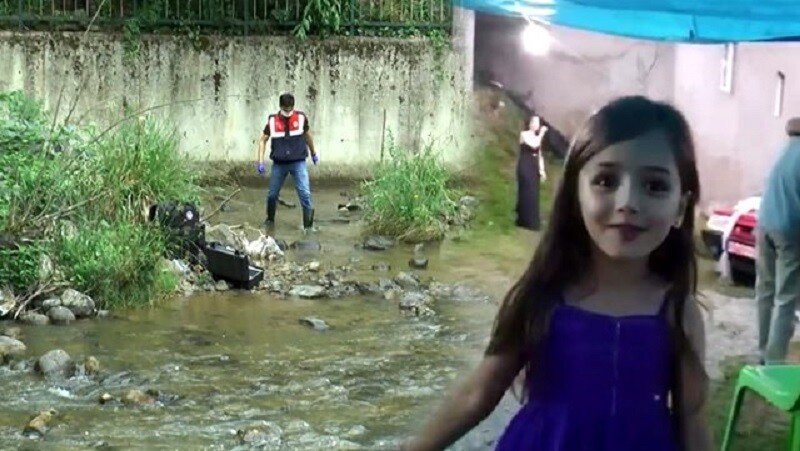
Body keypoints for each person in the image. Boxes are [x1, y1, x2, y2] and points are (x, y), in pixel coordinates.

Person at [401, 96, 711, 451]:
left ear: (680, 207)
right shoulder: (541, 298)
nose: (628, 202)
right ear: (575, 195)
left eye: (655, 186)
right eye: (606, 180)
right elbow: (478, 394)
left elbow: (692, 419)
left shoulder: (679, 313)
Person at [755, 117, 800, 365]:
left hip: (764, 224)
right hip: (789, 230)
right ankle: (774, 363)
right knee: (786, 297)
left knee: (765, 289)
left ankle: (763, 352)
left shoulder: (784, 153)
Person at [256, 93, 319, 231]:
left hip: (298, 162)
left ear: (293, 106)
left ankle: (308, 227)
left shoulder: (301, 118)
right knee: (272, 195)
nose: (288, 112)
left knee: (305, 194)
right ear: (280, 106)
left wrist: (314, 153)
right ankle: (270, 220)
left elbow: (308, 136)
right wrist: (260, 161)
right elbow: (263, 140)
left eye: (290, 109)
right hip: (279, 164)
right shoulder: (273, 121)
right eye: (285, 109)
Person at [516, 115, 548, 231]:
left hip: (534, 166)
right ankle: (523, 219)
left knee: (534, 193)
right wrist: (541, 134)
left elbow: (539, 154)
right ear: (530, 123)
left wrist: (542, 170)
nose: (536, 125)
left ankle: (532, 221)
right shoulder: (524, 134)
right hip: (525, 164)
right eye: (534, 122)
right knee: (526, 190)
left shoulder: (536, 137)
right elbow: (533, 144)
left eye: (538, 123)